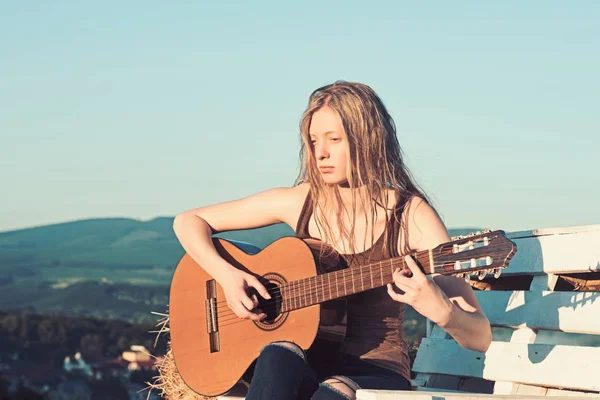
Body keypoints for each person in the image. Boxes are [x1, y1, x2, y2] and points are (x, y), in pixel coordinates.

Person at [172, 81, 492, 400]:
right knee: (275, 355)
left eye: (334, 140)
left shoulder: (411, 215)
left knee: (331, 394)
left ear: (368, 139)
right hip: (308, 361)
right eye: (312, 141)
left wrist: (441, 311)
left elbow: (480, 336)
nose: (319, 153)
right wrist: (227, 277)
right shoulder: (301, 201)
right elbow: (188, 221)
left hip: (375, 370)